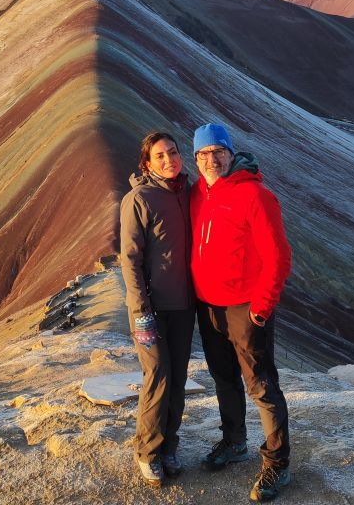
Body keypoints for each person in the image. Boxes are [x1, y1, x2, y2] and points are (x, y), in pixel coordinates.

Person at [190, 123, 292, 503]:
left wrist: (262, 309)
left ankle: (278, 464)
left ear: (231, 154)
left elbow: (279, 257)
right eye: (203, 154)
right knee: (224, 379)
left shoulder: (255, 195)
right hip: (209, 306)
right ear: (195, 158)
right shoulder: (199, 193)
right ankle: (234, 443)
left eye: (218, 152)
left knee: (261, 386)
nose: (211, 159)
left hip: (246, 307)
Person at [120, 131, 196, 487]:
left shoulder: (187, 194)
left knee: (178, 379)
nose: (169, 160)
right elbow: (130, 260)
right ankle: (146, 452)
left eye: (173, 152)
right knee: (158, 377)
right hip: (150, 308)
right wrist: (140, 311)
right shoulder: (139, 199)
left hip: (184, 305)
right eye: (160, 156)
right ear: (147, 164)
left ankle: (169, 446)